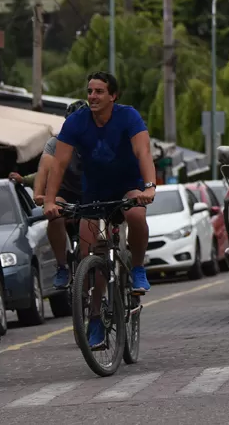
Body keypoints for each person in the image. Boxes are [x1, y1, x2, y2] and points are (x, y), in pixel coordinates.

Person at [41, 72, 158, 349]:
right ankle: (95, 318)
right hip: (93, 192)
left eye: (99, 91)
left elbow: (143, 153)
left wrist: (150, 187)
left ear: (113, 96)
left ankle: (138, 268)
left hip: (129, 185)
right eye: (90, 91)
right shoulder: (76, 122)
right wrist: (49, 200)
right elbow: (58, 164)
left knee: (135, 215)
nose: (92, 96)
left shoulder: (128, 117)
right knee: (89, 252)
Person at [11, 99, 89, 290]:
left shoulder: (100, 139)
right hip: (67, 193)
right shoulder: (56, 143)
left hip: (94, 192)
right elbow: (45, 168)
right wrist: (40, 195)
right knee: (53, 215)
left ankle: (119, 266)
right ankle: (62, 266)